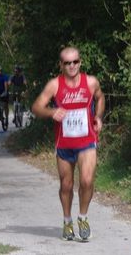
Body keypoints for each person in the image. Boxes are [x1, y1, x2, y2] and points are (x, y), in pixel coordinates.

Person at [32, 46, 105, 241]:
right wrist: (51, 112)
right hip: (64, 143)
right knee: (66, 185)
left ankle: (83, 218)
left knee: (87, 181)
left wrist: (98, 116)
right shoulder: (55, 85)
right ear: (61, 65)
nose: (72, 66)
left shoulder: (91, 82)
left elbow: (100, 98)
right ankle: (67, 221)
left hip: (87, 141)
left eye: (75, 62)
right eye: (67, 63)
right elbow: (37, 107)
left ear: (80, 62)